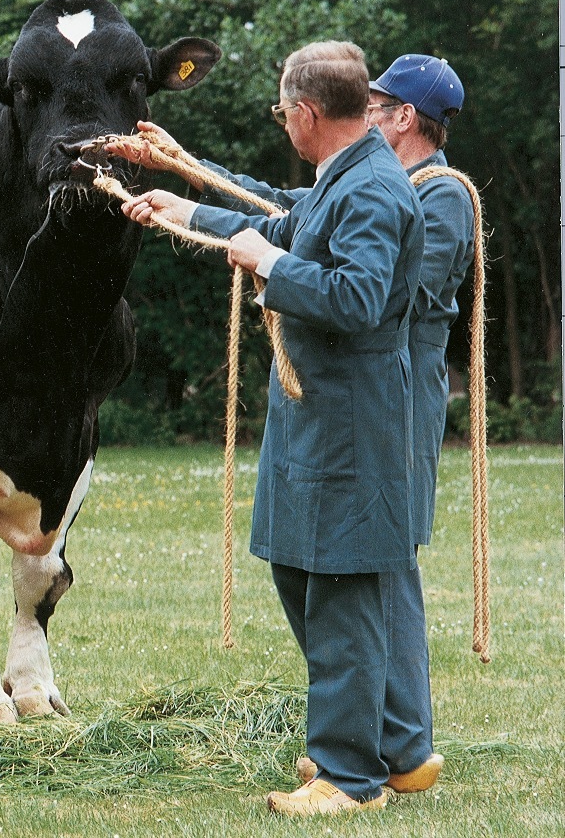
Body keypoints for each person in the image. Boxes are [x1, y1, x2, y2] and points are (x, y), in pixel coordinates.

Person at [111, 54, 472, 802]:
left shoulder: (373, 188)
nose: (283, 126)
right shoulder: (352, 174)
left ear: (305, 114)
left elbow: (360, 297)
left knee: (339, 586)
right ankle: (398, 747)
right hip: (321, 416)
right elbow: (279, 221)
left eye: (282, 114)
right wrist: (184, 211)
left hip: (350, 420)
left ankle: (348, 773)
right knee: (302, 569)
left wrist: (272, 263)